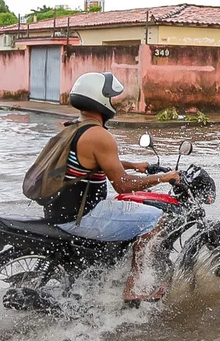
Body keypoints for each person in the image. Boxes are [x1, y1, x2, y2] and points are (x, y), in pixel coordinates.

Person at [43, 71, 181, 304]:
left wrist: (133, 165)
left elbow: (92, 163)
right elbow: (123, 186)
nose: (113, 103)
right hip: (82, 216)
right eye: (111, 98)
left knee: (127, 209)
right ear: (101, 100)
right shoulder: (99, 135)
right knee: (156, 218)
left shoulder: (72, 128)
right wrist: (164, 178)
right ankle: (134, 287)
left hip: (59, 211)